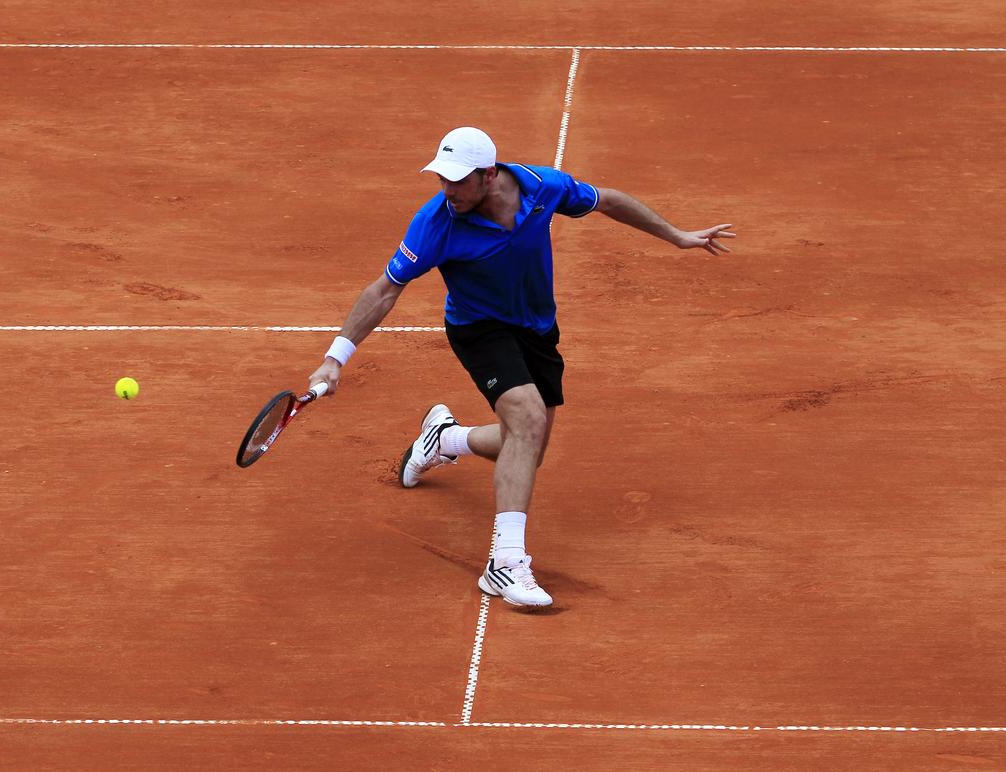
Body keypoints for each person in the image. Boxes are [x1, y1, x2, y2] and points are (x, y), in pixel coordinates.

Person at [306, 127, 734, 607]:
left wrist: (676, 236)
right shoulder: (436, 224)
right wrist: (334, 358)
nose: (447, 190)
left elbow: (608, 201)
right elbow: (385, 289)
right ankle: (504, 564)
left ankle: (444, 439)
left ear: (489, 175)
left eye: (457, 181)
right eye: (441, 180)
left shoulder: (539, 186)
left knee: (528, 448)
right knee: (527, 418)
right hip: (479, 330)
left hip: (536, 328)